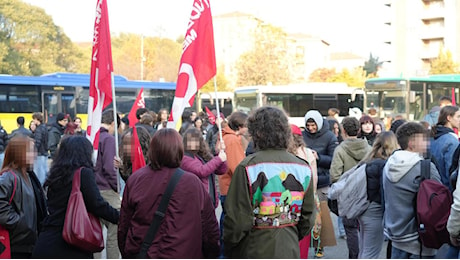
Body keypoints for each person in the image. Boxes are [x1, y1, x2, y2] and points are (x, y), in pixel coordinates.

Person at [224, 106, 315, 258]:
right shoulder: (302, 167)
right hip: (289, 247)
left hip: (253, 248)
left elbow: (237, 220)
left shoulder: (247, 167)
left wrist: (229, 246)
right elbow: (308, 216)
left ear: (256, 133)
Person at [118, 128, 220, 258]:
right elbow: (209, 228)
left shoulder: (136, 179)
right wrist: (211, 254)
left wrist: (127, 253)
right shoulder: (192, 183)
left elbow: (124, 225)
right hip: (183, 253)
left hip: (144, 253)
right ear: (179, 150)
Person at [32, 135, 119, 259]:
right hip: (71, 243)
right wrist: (119, 217)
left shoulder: (56, 174)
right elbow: (97, 204)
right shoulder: (83, 173)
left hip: (47, 240)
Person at [383, 122, 441, 258]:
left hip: (395, 235)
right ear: (412, 143)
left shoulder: (389, 164)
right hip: (419, 238)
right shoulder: (424, 167)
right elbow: (439, 201)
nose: (427, 143)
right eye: (423, 139)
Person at [330, 117, 372, 259]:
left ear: (343, 130)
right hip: (367, 194)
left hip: (347, 197)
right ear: (359, 130)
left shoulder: (340, 150)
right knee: (366, 229)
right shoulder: (369, 149)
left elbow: (334, 176)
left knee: (351, 229)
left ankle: (354, 257)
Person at [0, 136, 47, 258]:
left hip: (28, 242)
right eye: (30, 151)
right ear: (19, 153)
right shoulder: (8, 177)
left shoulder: (28, 175)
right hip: (16, 244)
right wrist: (20, 224)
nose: (34, 154)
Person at [302, 109, 338, 258]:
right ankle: (304, 244)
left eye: (313, 125)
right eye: (308, 125)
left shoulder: (329, 136)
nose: (311, 128)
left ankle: (319, 246)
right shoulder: (302, 136)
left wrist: (319, 158)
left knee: (320, 216)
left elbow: (334, 160)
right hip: (304, 180)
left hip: (322, 181)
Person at [358, 131, 399, 258]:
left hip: (364, 209)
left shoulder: (368, 161)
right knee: (371, 252)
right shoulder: (385, 165)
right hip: (375, 211)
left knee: (364, 249)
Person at [218, 111, 248, 257]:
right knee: (230, 226)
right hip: (231, 188)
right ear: (240, 126)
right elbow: (237, 167)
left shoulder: (226, 137)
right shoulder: (233, 140)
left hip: (225, 186)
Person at [288, 124, 319, 258]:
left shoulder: (284, 154)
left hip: (288, 201)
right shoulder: (308, 153)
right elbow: (314, 178)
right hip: (305, 198)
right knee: (303, 238)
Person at [93, 109, 121, 259]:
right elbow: (109, 168)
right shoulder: (108, 139)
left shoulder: (92, 136)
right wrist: (117, 187)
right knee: (114, 233)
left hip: (93, 190)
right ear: (112, 124)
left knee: (95, 234)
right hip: (108, 190)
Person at [180, 127, 228, 208]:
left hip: (208, 201)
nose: (193, 143)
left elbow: (221, 170)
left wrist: (220, 153)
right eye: (190, 141)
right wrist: (219, 159)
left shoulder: (201, 156)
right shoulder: (184, 158)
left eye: (195, 140)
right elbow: (201, 171)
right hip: (196, 203)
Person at [430, 106, 460, 190]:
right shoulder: (452, 141)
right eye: (458, 116)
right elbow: (452, 172)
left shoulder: (432, 137)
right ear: (449, 118)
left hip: (432, 190)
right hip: (446, 191)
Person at [32, 112, 49, 185]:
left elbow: (37, 142)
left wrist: (33, 151)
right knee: (44, 170)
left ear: (37, 119)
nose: (33, 121)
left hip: (39, 153)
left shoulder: (38, 129)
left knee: (39, 173)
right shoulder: (44, 127)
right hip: (44, 152)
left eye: (33, 120)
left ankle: (40, 187)